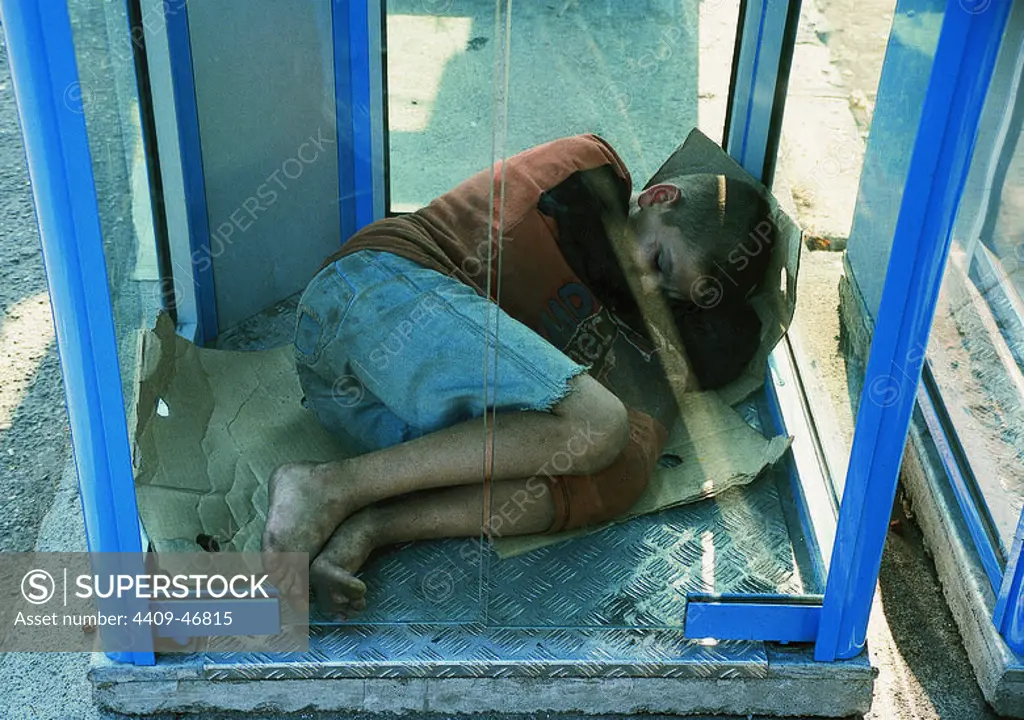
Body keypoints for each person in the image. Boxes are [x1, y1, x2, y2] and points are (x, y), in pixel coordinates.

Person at [262, 134, 775, 614]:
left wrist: (693, 332)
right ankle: (328, 486)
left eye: (669, 295)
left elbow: (633, 455)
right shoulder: (587, 172)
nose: (647, 284)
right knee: (598, 423)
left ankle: (371, 522)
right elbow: (579, 215)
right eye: (659, 260)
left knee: (612, 463)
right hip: (366, 299)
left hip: (362, 411)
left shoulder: (626, 317)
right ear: (659, 197)